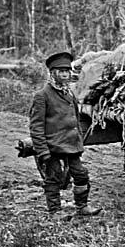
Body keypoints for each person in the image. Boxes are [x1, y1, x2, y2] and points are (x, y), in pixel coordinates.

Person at [29, 51, 102, 220]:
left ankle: (82, 206)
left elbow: (76, 119)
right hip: (53, 146)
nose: (64, 74)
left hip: (71, 145)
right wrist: (43, 151)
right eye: (60, 71)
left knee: (81, 175)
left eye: (67, 71)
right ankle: (54, 211)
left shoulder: (69, 93)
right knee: (53, 178)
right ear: (52, 73)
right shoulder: (42, 96)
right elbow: (36, 127)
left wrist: (79, 140)